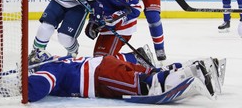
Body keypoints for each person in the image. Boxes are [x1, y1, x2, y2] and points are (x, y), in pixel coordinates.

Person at [27, 52, 224, 103]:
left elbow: (40, 86)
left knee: (148, 86)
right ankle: (192, 66)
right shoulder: (61, 60)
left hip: (101, 76)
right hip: (107, 65)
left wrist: (21, 88)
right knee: (153, 73)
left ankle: (196, 70)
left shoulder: (50, 68)